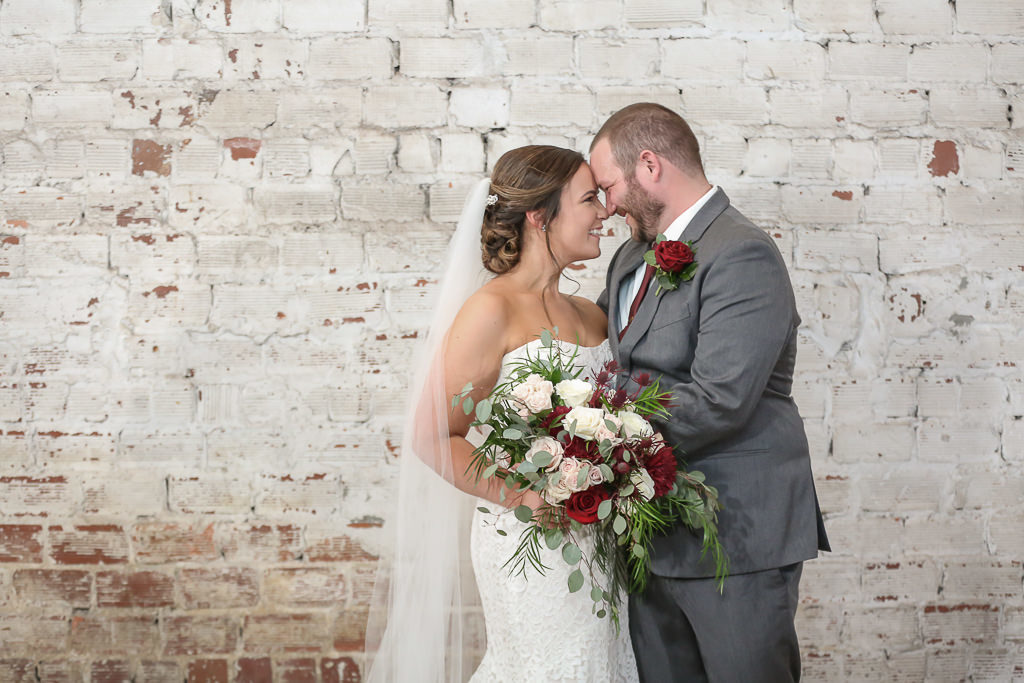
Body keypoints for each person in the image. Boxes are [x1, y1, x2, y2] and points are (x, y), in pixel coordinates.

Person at [365, 145, 639, 682]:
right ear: (540, 216)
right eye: (588, 199)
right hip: (530, 541)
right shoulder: (490, 310)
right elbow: (433, 435)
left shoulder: (590, 313)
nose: (603, 212)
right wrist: (526, 494)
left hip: (600, 540)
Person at [589, 103, 831, 682]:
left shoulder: (741, 252)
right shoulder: (628, 258)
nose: (606, 207)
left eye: (608, 187)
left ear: (649, 166)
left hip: (735, 535)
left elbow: (720, 398)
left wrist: (595, 425)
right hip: (650, 537)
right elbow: (601, 356)